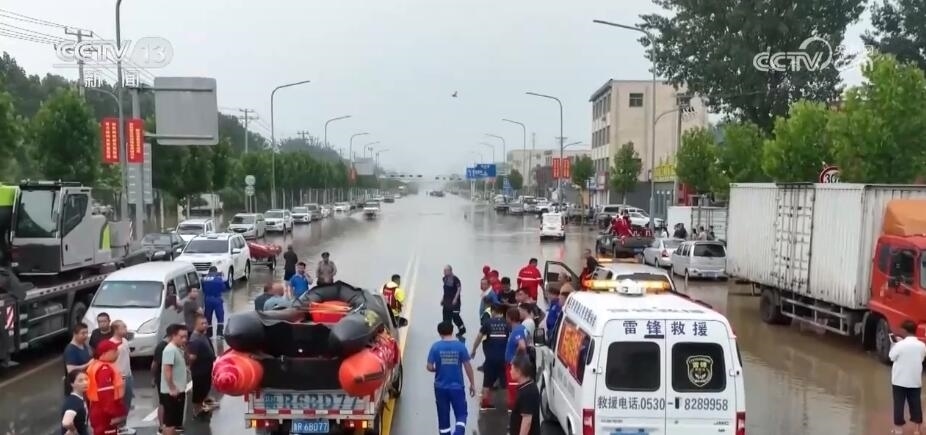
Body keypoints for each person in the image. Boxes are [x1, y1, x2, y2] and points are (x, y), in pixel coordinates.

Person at [427, 321, 476, 435]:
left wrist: (436, 369)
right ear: (452, 331)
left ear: (439, 333)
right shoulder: (460, 346)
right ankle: (458, 432)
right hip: (457, 387)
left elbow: (429, 366)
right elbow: (468, 366)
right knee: (461, 414)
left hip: (440, 388)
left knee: (443, 418)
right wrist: (472, 384)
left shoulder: (435, 347)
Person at [890, 319, 926, 434]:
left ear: (904, 330)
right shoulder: (922, 345)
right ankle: (917, 430)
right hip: (915, 380)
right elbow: (921, 358)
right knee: (916, 404)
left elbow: (891, 357)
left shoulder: (899, 345)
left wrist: (895, 344)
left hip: (899, 380)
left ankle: (898, 430)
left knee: (899, 405)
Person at [470, 304, 509, 410]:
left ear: (493, 311)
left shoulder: (488, 323)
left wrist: (473, 350)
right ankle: (510, 404)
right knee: (506, 382)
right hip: (504, 358)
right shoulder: (507, 323)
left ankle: (485, 403)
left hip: (490, 358)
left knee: (487, 381)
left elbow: (479, 337)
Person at [86, 340, 126, 435]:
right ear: (104, 353)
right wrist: (115, 414)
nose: (117, 353)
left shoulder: (97, 365)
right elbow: (106, 395)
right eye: (114, 351)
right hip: (105, 414)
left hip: (99, 409)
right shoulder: (104, 369)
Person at [160, 324, 189, 435]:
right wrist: (172, 388)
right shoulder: (170, 350)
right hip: (171, 392)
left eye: (186, 337)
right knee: (169, 423)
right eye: (181, 337)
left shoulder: (177, 348)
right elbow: (167, 370)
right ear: (173, 336)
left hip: (178, 390)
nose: (184, 339)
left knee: (174, 422)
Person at [108, 321, 135, 435]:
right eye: (123, 327)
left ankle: (123, 425)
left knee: (127, 402)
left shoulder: (124, 341)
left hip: (128, 376)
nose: (126, 329)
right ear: (116, 329)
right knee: (119, 403)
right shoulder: (111, 344)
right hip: (118, 379)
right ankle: (117, 427)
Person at [188, 313, 217, 417]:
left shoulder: (203, 335)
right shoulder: (195, 339)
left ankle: (203, 406)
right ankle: (197, 411)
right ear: (195, 325)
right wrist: (190, 368)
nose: (205, 325)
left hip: (206, 369)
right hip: (199, 371)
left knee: (205, 388)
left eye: (206, 323)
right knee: (199, 391)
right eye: (202, 323)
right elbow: (192, 357)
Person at [508, 355, 540, 435]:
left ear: (519, 372)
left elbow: (527, 422)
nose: (510, 371)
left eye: (512, 369)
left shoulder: (528, 393)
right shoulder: (525, 387)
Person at [504, 307, 528, 409]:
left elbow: (522, 346)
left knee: (513, 385)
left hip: (513, 364)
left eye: (506, 317)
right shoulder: (520, 328)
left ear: (510, 318)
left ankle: (514, 406)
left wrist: (515, 358)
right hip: (514, 363)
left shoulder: (517, 331)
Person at [63, 323, 92, 393]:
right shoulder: (70, 350)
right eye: (83, 333)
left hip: (84, 383)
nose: (85, 335)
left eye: (86, 333)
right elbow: (70, 370)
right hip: (76, 388)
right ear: (75, 334)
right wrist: (88, 364)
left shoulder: (83, 344)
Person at [61, 369, 90, 435]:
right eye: (80, 381)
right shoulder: (73, 402)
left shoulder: (80, 398)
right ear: (72, 384)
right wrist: (73, 430)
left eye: (86, 379)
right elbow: (66, 422)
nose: (85, 383)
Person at [441, 265, 466, 338]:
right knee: (446, 318)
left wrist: (455, 298)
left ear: (450, 271)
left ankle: (462, 329)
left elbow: (459, 289)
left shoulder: (455, 279)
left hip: (455, 303)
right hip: (447, 302)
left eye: (445, 271)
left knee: (455, 317)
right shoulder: (444, 279)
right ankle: (447, 332)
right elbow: (446, 291)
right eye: (444, 271)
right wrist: (442, 299)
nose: (444, 272)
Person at [201, 266, 226, 338]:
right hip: (217, 299)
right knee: (220, 316)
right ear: (216, 271)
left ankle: (209, 334)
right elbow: (224, 288)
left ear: (209, 271)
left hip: (207, 299)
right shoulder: (218, 279)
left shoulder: (204, 279)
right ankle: (219, 334)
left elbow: (203, 289)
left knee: (208, 317)